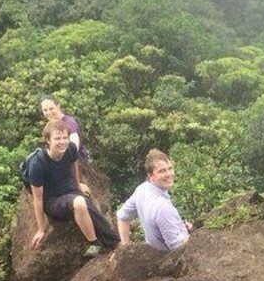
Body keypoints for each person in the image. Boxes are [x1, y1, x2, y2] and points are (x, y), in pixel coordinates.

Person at [29, 120, 119, 254]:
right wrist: (41, 229)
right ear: (48, 140)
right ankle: (94, 244)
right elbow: (37, 198)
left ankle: (114, 242)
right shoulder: (38, 163)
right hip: (53, 201)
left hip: (70, 190)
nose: (62, 142)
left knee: (91, 208)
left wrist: (78, 184)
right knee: (80, 202)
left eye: (65, 137)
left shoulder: (70, 149)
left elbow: (73, 162)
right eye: (57, 138)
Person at [116, 149, 192, 251]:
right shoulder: (163, 207)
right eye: (162, 171)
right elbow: (177, 247)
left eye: (170, 168)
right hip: (169, 259)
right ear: (150, 175)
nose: (169, 174)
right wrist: (196, 236)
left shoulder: (142, 190)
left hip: (153, 252)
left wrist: (126, 248)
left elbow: (122, 216)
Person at [40, 95, 90, 162]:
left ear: (58, 106)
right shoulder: (49, 125)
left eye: (51, 108)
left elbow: (74, 146)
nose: (48, 113)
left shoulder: (69, 123)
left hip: (73, 161)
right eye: (45, 110)